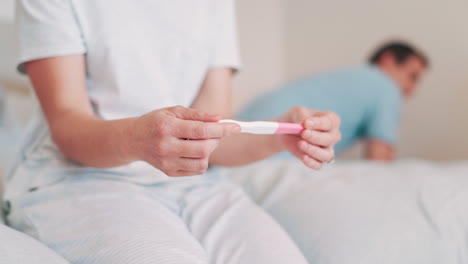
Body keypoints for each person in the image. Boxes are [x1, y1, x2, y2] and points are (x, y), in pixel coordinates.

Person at [2, 1, 340, 263]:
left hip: (197, 185)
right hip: (80, 178)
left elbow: (215, 139)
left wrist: (280, 137)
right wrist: (138, 138)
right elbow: (67, 123)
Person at [238, 42, 428, 161]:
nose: (412, 90)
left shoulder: (349, 77)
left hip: (238, 136)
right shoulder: (386, 86)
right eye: (412, 77)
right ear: (388, 60)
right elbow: (380, 159)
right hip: (269, 157)